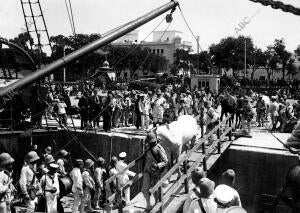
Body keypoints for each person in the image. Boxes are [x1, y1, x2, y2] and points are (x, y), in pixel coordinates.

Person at [142, 133, 168, 210]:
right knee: (144, 190)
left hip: (155, 172)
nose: (151, 143)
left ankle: (157, 203)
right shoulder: (147, 147)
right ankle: (148, 205)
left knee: (155, 189)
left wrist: (158, 166)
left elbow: (165, 161)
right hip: (147, 170)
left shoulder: (159, 148)